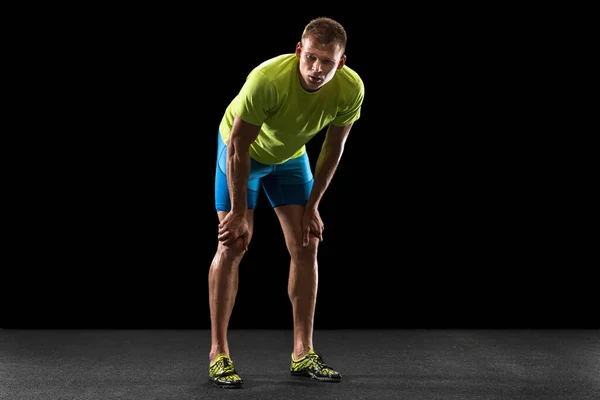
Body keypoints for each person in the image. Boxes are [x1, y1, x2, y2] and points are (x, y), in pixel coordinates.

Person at [208, 16, 365, 389]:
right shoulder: (267, 79)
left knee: (307, 242)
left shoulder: (350, 89)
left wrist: (313, 207)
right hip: (242, 154)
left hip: (291, 158)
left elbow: (333, 148)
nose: (316, 69)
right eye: (310, 57)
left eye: (327, 61)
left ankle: (303, 352)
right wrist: (239, 212)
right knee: (233, 243)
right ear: (299, 50)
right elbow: (239, 147)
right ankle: (219, 354)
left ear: (340, 62)